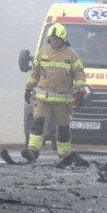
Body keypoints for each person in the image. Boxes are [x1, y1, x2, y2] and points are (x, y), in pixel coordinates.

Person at [22, 23, 87, 162]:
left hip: (62, 103)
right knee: (37, 125)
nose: (54, 41)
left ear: (63, 39)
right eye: (52, 39)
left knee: (63, 130)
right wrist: (28, 88)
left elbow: (80, 74)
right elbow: (35, 73)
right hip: (43, 100)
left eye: (57, 39)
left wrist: (80, 92)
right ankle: (32, 151)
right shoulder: (42, 53)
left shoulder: (72, 55)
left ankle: (64, 155)